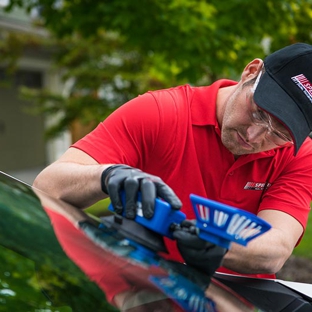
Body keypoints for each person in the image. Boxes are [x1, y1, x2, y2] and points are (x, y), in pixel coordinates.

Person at [33, 43, 312, 280]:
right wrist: (107, 175)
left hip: (238, 303)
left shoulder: (300, 154)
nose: (253, 135)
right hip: (143, 293)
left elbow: (276, 248)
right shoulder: (159, 113)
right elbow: (47, 187)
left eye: (278, 133)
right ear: (251, 72)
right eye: (257, 112)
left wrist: (219, 246)